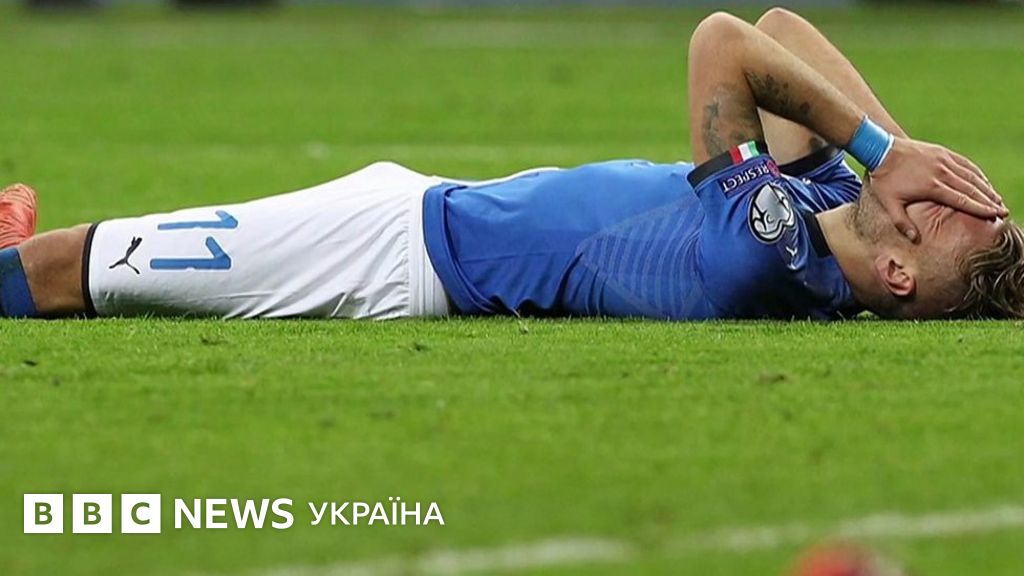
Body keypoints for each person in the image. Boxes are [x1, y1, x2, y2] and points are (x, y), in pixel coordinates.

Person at [0, 9, 1019, 321]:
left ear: (899, 275)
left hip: (386, 262)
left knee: (65, 272)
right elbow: (782, 25)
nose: (938, 188)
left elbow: (723, 42)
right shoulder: (834, 201)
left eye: (946, 211)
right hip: (418, 210)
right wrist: (899, 159)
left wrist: (884, 149)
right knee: (81, 260)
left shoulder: (771, 252)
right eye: (961, 185)